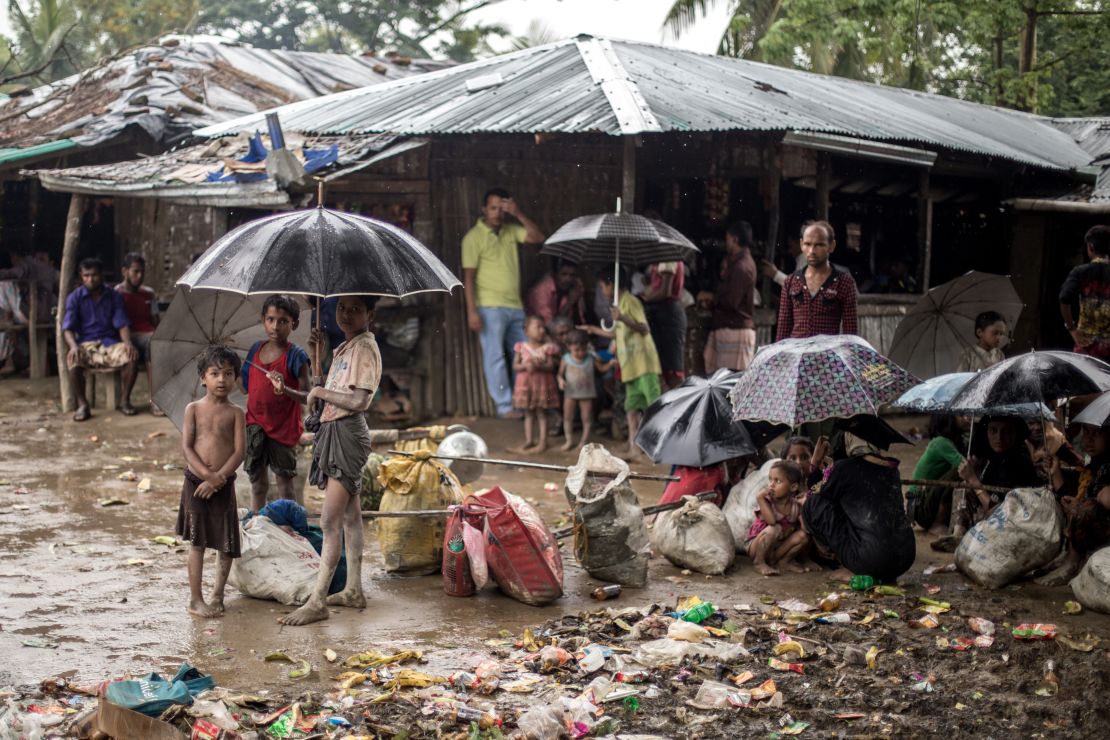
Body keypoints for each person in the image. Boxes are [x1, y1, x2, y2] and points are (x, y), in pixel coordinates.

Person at [269, 295, 381, 626]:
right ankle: (353, 589)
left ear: (369, 314)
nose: (346, 314)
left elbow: (359, 400)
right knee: (350, 518)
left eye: (355, 309)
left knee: (329, 522)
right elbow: (321, 395)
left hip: (347, 435)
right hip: (336, 431)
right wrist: (315, 369)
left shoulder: (365, 348)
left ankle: (318, 602)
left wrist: (320, 393)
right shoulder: (345, 347)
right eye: (342, 308)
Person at [461, 188, 545, 418]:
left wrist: (518, 213)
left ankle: (523, 402)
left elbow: (538, 237)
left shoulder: (511, 230)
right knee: (495, 357)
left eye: (502, 208)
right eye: (493, 208)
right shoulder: (473, 238)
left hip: (515, 306)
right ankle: (505, 406)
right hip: (489, 307)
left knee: (524, 354)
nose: (498, 213)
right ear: (484, 210)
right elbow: (468, 278)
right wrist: (472, 312)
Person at [177, 345, 246, 618]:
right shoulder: (193, 409)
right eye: (215, 373)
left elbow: (239, 451)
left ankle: (218, 594)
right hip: (196, 483)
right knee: (197, 542)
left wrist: (219, 479)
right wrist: (207, 477)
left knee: (226, 542)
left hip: (224, 484)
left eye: (228, 374)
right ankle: (196, 599)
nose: (221, 379)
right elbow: (187, 447)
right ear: (202, 378)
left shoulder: (236, 413)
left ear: (235, 378)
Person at [801, 437, 916, 582]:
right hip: (905, 558)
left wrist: (815, 463)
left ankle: (849, 566)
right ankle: (867, 566)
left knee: (812, 504)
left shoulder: (844, 468)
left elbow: (815, 492)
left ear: (849, 440)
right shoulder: (892, 469)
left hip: (870, 560)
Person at [579, 267, 663, 459]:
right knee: (631, 407)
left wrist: (622, 317)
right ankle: (634, 447)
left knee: (652, 407)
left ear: (611, 284)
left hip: (643, 364)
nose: (602, 290)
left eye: (602, 285)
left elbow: (644, 328)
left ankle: (656, 448)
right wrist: (592, 329)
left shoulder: (631, 302)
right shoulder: (619, 304)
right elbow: (616, 333)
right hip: (630, 366)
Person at [243, 295, 311, 513]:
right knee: (258, 483)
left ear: (294, 324)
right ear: (263, 319)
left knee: (285, 484)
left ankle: (289, 527)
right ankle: (257, 523)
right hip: (255, 424)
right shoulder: (254, 350)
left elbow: (308, 396)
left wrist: (285, 390)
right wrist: (235, 365)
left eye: (283, 321)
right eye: (271, 319)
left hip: (283, 429)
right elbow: (245, 387)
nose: (275, 326)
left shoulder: (297, 356)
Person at [932, 415, 1041, 551]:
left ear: (1015, 433)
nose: (999, 438)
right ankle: (958, 534)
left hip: (1011, 524)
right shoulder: (992, 459)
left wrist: (973, 479)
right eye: (993, 431)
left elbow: (1001, 512)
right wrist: (973, 473)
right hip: (990, 516)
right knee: (963, 489)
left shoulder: (1020, 463)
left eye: (1006, 431)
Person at [61, 258, 139, 421]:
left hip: (110, 343)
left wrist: (127, 343)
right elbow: (67, 328)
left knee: (132, 357)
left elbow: (122, 324)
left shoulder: (114, 296)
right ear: (81, 277)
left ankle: (124, 401)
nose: (90, 279)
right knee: (73, 360)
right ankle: (83, 405)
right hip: (86, 345)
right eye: (86, 275)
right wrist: (73, 346)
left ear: (101, 275)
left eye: (94, 275)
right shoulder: (74, 298)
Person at [1036, 423, 1110, 585]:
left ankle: (1072, 563)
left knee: (1087, 509)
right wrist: (1054, 472)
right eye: (1086, 432)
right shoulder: (1095, 465)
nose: (1089, 439)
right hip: (1092, 529)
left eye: (1096, 433)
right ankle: (1065, 555)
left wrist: (1085, 503)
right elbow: (1072, 494)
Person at [775, 221, 858, 341]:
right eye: (807, 244)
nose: (812, 251)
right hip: (797, 354)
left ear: (831, 246)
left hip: (828, 355)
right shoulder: (791, 282)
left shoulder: (844, 282)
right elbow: (782, 332)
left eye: (819, 245)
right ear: (801, 244)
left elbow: (851, 334)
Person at [701, 221, 758, 373]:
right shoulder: (738, 263)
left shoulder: (741, 267)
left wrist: (711, 297)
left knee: (731, 384)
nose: (726, 243)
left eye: (727, 239)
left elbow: (732, 301)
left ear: (735, 239)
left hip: (736, 330)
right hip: (731, 328)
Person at [906, 415, 970, 535]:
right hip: (921, 508)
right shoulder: (941, 442)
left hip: (925, 503)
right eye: (961, 415)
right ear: (948, 419)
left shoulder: (951, 442)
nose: (967, 418)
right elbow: (965, 466)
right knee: (960, 471)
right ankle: (938, 522)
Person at [115, 253, 162, 415]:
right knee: (149, 344)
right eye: (135, 271)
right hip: (128, 337)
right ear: (125, 271)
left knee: (156, 343)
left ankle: (157, 400)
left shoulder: (148, 293)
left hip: (149, 336)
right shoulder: (116, 294)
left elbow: (156, 320)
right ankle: (126, 400)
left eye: (142, 272)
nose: (139, 276)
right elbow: (117, 324)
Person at [746, 460, 810, 576]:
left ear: (793, 487)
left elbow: (806, 529)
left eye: (778, 481)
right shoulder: (766, 501)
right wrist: (760, 498)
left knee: (803, 536)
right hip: (757, 548)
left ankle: (783, 562)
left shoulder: (795, 506)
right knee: (775, 528)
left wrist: (804, 506)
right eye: (770, 480)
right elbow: (771, 521)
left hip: (777, 550)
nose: (771, 485)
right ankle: (759, 562)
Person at [507, 315, 561, 454]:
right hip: (527, 386)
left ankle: (543, 441)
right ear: (526, 331)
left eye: (543, 327)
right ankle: (529, 440)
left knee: (542, 412)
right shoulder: (521, 347)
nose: (542, 330)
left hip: (542, 386)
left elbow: (550, 366)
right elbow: (515, 366)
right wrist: (525, 365)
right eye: (538, 327)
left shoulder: (547, 348)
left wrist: (538, 366)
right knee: (529, 413)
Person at [557, 329, 613, 451]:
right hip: (570, 393)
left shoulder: (591, 358)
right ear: (568, 346)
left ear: (587, 347)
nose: (580, 353)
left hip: (587, 393)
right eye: (576, 350)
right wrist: (560, 381)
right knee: (567, 416)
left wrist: (610, 364)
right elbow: (559, 374)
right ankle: (569, 440)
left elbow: (602, 369)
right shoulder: (566, 359)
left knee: (587, 417)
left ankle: (584, 441)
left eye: (583, 349)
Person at [1060, 224, 1110, 360]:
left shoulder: (1080, 272)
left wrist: (1072, 329)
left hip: (1086, 347)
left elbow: (1064, 298)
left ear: (1091, 247)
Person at [641, 259, 687, 389]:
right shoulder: (661, 261)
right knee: (664, 368)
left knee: (673, 370)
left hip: (669, 317)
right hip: (662, 316)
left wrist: (644, 300)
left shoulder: (668, 259)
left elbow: (665, 291)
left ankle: (680, 406)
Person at [525, 259, 587, 326]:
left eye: (572, 275)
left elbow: (575, 321)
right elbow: (550, 325)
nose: (568, 279)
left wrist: (577, 299)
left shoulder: (568, 289)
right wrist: (570, 302)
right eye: (564, 274)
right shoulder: (542, 291)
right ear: (554, 274)